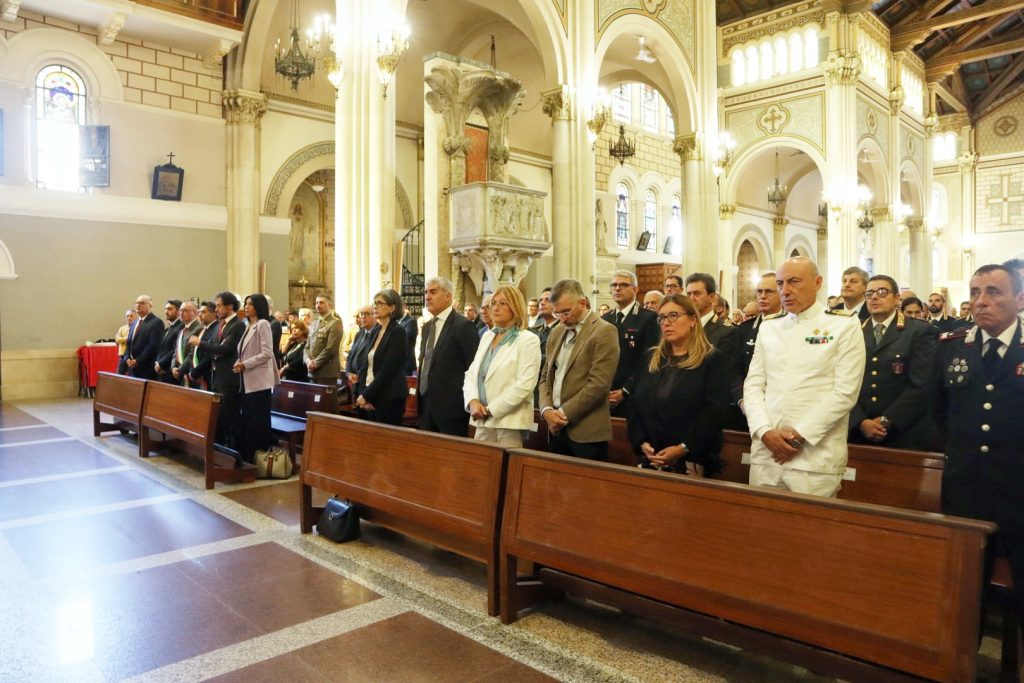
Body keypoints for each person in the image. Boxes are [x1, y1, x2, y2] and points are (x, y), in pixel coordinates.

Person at [933, 264, 1024, 616]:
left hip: (1018, 486)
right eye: (974, 293)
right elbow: (938, 410)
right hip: (966, 487)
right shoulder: (952, 346)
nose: (980, 302)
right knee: (965, 592)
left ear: (1019, 300)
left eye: (993, 292)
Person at [743, 257, 865, 497]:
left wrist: (798, 438)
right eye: (780, 283)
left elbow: (845, 392)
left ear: (817, 282)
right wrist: (764, 431)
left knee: (811, 531)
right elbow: (754, 385)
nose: (785, 291)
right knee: (761, 528)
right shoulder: (770, 326)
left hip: (815, 456)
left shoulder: (843, 325)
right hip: (767, 453)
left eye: (794, 282)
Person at [628, 294, 729, 476]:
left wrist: (683, 447)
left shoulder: (712, 359)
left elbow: (715, 411)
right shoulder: (651, 358)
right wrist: (641, 442)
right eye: (662, 317)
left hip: (692, 459)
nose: (666, 322)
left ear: (692, 320)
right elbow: (635, 404)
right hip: (651, 457)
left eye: (673, 315)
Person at [849, 275, 937, 450]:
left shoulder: (919, 331)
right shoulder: (853, 331)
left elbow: (921, 385)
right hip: (859, 432)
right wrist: (860, 421)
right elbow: (843, 382)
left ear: (897, 298)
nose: (874, 297)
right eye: (869, 293)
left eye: (882, 292)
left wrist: (887, 420)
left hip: (903, 431)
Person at [538, 278, 619, 460]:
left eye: (566, 312)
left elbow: (598, 385)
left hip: (586, 432)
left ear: (582, 303)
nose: (562, 318)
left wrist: (562, 414)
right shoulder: (557, 331)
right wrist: (546, 410)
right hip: (555, 428)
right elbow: (545, 377)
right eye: (558, 314)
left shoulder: (604, 331)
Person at [463, 285, 541, 447]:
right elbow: (471, 373)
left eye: (502, 303)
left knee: (505, 469)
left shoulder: (527, 340)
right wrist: (472, 401)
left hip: (508, 421)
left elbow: (524, 385)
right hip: (482, 419)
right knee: (481, 468)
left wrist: (490, 410)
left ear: (515, 307)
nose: (495, 308)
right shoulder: (487, 336)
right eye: (494, 303)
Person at [418, 277, 480, 436]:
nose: (427, 297)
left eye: (433, 292)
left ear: (448, 296)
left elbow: (473, 368)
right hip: (426, 405)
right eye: (426, 292)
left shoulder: (463, 326)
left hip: (452, 410)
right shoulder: (427, 327)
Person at [189, 292, 245, 451]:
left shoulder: (238, 325)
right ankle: (220, 449)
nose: (217, 309)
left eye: (220, 305)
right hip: (217, 377)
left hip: (229, 379)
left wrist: (200, 343)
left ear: (230, 306)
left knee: (230, 416)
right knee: (219, 417)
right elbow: (213, 350)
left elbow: (225, 349)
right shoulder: (220, 325)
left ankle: (235, 451)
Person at [602, 270, 660, 417]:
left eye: (623, 285)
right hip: (604, 393)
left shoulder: (648, 318)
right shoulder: (605, 319)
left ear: (635, 289)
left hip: (633, 394)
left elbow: (649, 359)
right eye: (614, 285)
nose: (617, 288)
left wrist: (626, 390)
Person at [730, 272, 782, 430]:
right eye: (759, 292)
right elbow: (734, 369)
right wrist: (742, 400)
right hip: (749, 407)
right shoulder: (745, 329)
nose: (763, 296)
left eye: (769, 292)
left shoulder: (792, 326)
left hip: (781, 407)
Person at [233, 294, 279, 464]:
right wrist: (239, 361)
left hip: (259, 380)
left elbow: (267, 353)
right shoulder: (249, 325)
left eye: (250, 304)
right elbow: (246, 351)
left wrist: (245, 364)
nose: (246, 306)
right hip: (247, 379)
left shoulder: (263, 324)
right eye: (245, 304)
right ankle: (250, 455)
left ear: (259, 307)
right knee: (249, 419)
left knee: (258, 419)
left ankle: (262, 458)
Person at [354, 289, 409, 425]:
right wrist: (362, 394)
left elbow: (388, 370)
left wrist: (368, 396)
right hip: (371, 393)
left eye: (380, 303)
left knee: (386, 442)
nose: (375, 307)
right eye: (374, 303)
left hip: (389, 397)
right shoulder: (376, 330)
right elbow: (365, 365)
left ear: (392, 307)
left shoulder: (398, 332)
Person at [118, 294, 163, 379]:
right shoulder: (135, 323)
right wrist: (127, 357)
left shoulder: (156, 322)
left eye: (142, 303)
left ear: (150, 306)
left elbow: (152, 346)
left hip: (146, 368)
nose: (138, 305)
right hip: (132, 367)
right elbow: (129, 343)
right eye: (137, 303)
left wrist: (138, 361)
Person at [305, 294, 343, 384]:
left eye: (321, 303)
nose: (318, 305)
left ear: (329, 305)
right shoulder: (314, 323)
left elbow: (330, 348)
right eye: (316, 303)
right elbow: (307, 346)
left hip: (327, 372)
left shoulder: (335, 322)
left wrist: (316, 363)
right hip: (312, 372)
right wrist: (307, 361)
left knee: (326, 398)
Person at [187, 301, 218, 389]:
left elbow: (210, 354)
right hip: (197, 374)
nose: (200, 315)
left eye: (203, 312)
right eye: (199, 312)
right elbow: (194, 353)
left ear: (214, 314)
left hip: (207, 374)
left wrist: (195, 372)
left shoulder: (215, 329)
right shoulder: (204, 329)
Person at [170, 301, 201, 386]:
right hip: (181, 374)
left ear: (194, 312)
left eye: (185, 310)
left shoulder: (199, 329)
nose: (181, 313)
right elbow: (176, 352)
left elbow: (192, 354)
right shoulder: (181, 331)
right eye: (180, 310)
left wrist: (180, 370)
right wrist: (173, 368)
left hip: (192, 374)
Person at [344, 305, 375, 391]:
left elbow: (369, 359)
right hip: (354, 381)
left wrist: (358, 375)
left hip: (366, 382)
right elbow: (350, 356)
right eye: (361, 314)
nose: (363, 316)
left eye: (367, 314)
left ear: (375, 316)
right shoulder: (359, 334)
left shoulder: (377, 335)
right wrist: (348, 373)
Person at [154, 299, 182, 383]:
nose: (166, 311)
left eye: (169, 309)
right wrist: (157, 363)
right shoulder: (168, 328)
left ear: (178, 311)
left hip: (170, 371)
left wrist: (161, 364)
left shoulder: (181, 327)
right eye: (165, 309)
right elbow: (161, 348)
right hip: (161, 370)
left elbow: (175, 349)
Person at [397, 308, 419, 375]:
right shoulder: (397, 321)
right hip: (397, 362)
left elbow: (407, 337)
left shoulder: (411, 321)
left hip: (406, 362)